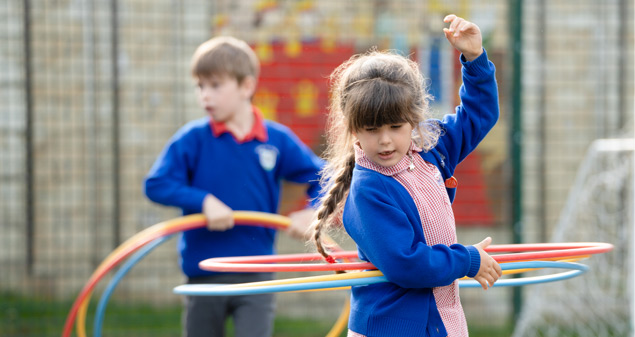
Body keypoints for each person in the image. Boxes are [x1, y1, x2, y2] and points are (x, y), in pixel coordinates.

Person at [311, 15, 503, 337]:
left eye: (396, 127)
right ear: (354, 129)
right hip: (391, 327)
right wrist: (468, 260)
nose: (385, 140)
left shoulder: (432, 149)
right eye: (371, 130)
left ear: (414, 120)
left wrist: (474, 57)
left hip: (441, 318)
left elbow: (479, 115)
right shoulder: (368, 190)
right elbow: (407, 263)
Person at [144, 36, 324, 337]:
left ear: (246, 86)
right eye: (200, 86)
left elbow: (324, 177)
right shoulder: (193, 139)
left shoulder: (275, 139)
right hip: (204, 273)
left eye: (215, 85)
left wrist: (313, 213)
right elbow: (156, 184)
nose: (205, 96)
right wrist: (203, 201)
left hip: (256, 274)